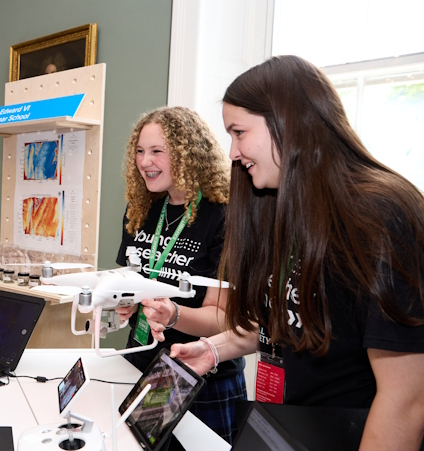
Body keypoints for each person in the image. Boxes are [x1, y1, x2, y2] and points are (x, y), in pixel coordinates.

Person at [171, 55, 424, 449]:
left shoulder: (381, 215)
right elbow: (285, 322)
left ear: (286, 120)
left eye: (239, 132)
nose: (233, 152)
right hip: (298, 428)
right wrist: (212, 349)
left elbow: (406, 398)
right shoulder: (287, 210)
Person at [114, 106, 246, 443]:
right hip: (141, 362)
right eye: (140, 151)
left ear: (189, 155)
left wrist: (173, 314)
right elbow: (128, 280)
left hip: (200, 376)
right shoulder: (142, 208)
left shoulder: (224, 216)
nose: (145, 161)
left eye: (158, 151)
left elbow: (223, 318)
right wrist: (122, 302)